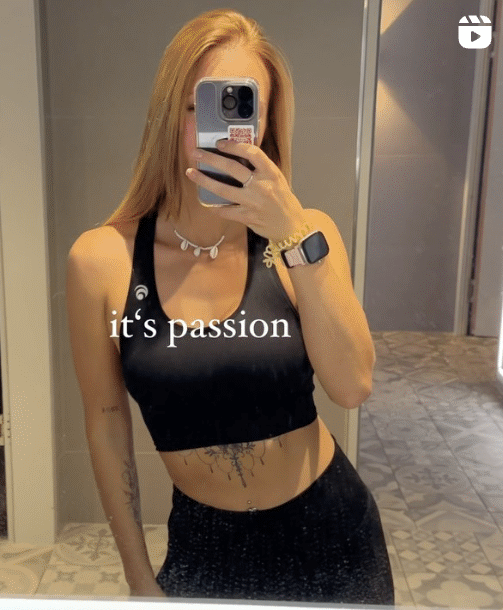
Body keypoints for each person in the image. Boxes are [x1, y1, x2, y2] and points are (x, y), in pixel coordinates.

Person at [64, 9, 389, 604]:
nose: (219, 127)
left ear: (264, 123)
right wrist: (139, 578)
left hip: (333, 536)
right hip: (205, 548)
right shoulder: (101, 260)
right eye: (199, 105)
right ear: (169, 115)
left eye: (243, 104)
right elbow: (106, 424)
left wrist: (292, 232)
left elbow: (353, 385)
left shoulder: (307, 237)